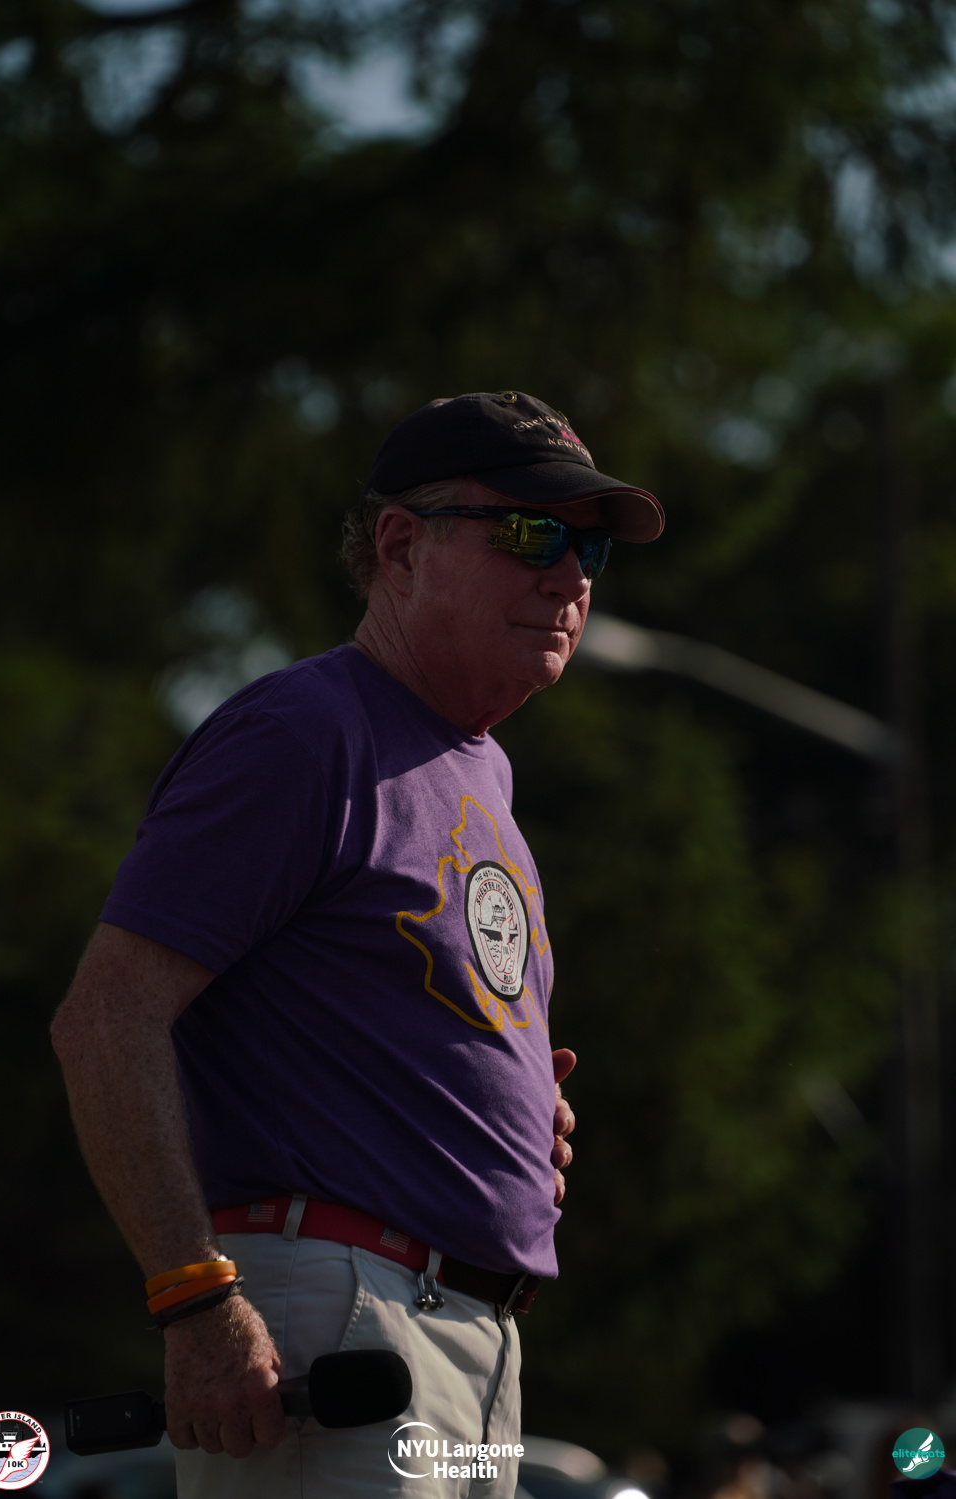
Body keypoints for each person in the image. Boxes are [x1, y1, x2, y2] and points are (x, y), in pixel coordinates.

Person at [50, 390, 664, 1499]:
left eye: (590, 547)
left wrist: (506, 1114)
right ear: (400, 545)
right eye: (531, 532)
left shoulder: (479, 769)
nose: (569, 575)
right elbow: (106, 1015)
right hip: (336, 1322)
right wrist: (194, 1296)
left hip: (461, 1334)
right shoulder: (304, 731)